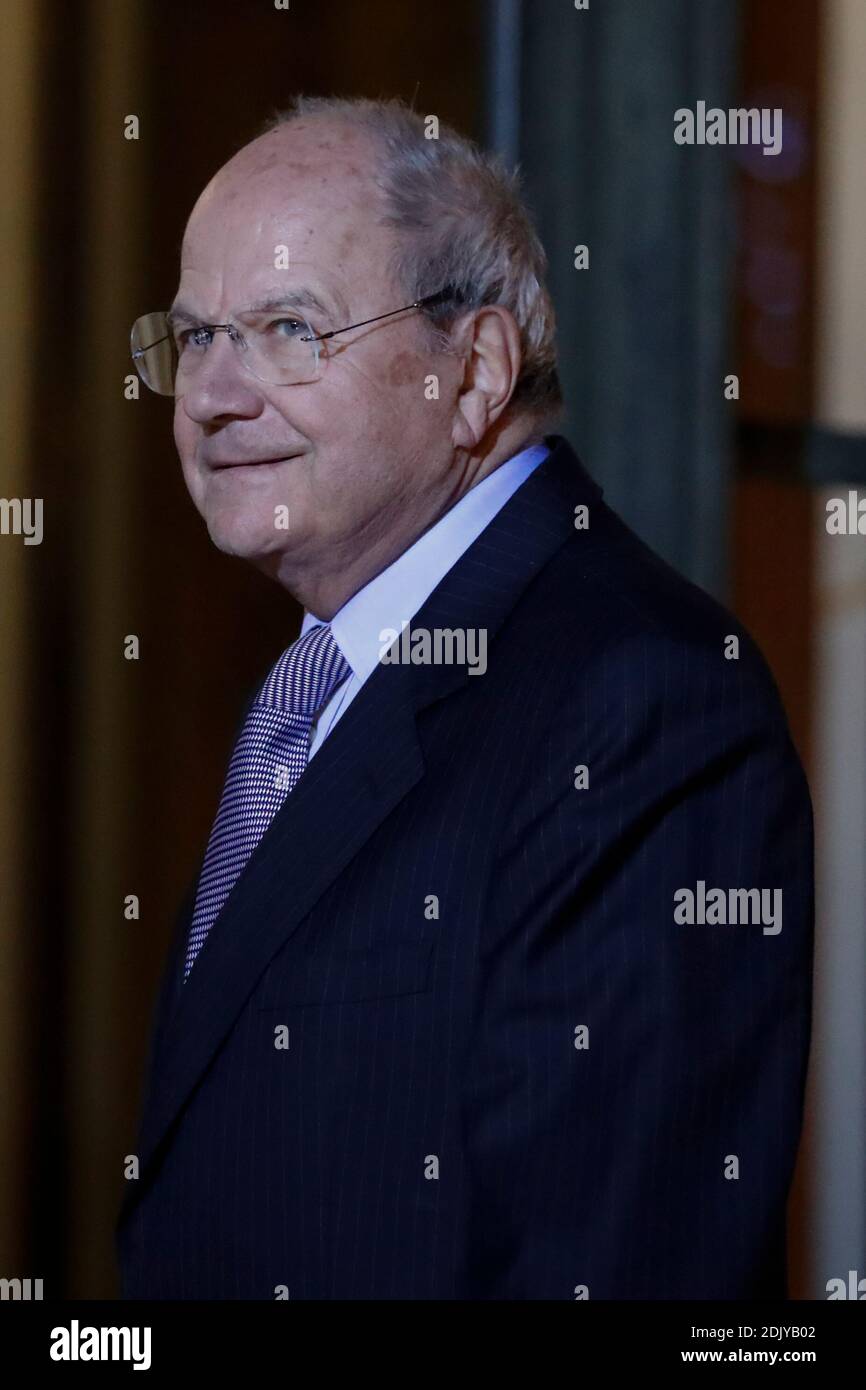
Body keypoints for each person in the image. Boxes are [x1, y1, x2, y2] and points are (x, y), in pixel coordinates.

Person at [116, 95, 813, 1300]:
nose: (212, 398)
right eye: (194, 339)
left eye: (287, 329)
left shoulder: (644, 705)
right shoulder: (321, 667)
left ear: (475, 368)